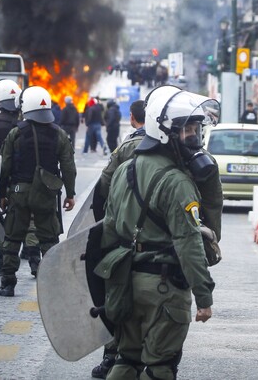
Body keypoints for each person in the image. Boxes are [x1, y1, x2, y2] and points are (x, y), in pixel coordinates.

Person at [91, 93, 223, 379]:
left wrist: (111, 281)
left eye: (196, 130)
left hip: (125, 279)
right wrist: (204, 296)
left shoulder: (125, 169)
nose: (193, 138)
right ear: (164, 133)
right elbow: (188, 243)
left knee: (127, 360)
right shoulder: (177, 182)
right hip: (163, 287)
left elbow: (109, 228)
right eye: (186, 130)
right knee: (160, 366)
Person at [0, 86, 76, 297]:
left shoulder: (15, 134)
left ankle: (7, 284)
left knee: (12, 238)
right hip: (46, 195)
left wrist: (2, 194)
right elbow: (68, 166)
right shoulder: (59, 134)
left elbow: (5, 167)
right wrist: (70, 193)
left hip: (19, 193)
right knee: (49, 239)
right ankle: (53, 285)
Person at [0, 79, 40, 276]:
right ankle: (35, 260)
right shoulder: (26, 124)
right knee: (29, 220)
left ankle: (3, 259)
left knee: (2, 219)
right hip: (24, 179)